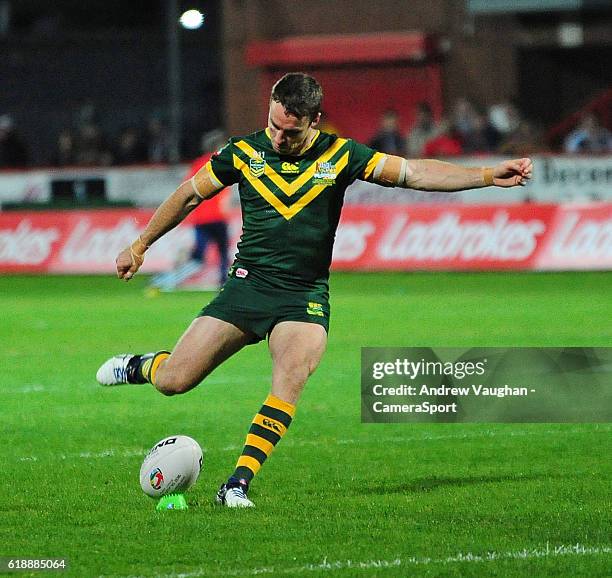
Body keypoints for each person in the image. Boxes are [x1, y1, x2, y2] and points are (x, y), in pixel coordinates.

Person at [96, 72, 533, 508]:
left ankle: (236, 485)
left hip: (303, 296)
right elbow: (190, 195)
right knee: (175, 381)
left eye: (290, 131)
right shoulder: (243, 152)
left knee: (290, 378)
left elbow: (415, 173)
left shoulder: (342, 155)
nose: (280, 138)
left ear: (315, 120)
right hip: (247, 288)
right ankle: (138, 366)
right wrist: (140, 245)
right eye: (274, 126)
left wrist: (488, 174)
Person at [148, 129, 231, 291]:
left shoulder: (198, 164)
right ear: (218, 145)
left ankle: (167, 280)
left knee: (199, 256)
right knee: (222, 253)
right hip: (217, 217)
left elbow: (188, 191)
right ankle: (223, 283)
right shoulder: (223, 161)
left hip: (201, 218)